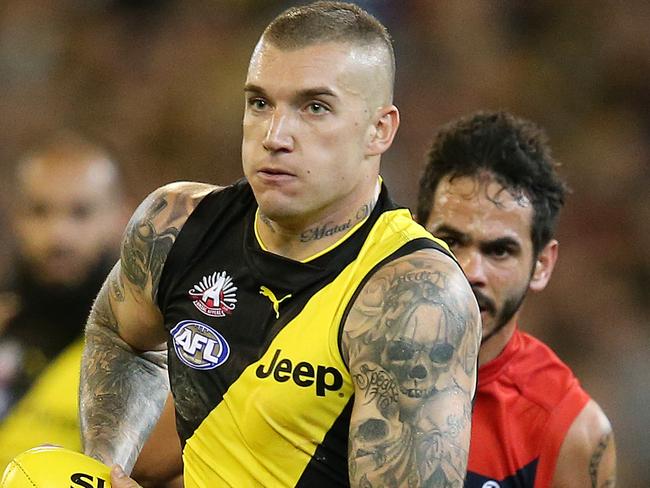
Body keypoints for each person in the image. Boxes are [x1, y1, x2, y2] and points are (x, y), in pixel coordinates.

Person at [79, 2, 481, 487]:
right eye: (260, 103)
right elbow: (119, 334)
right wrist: (103, 468)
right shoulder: (176, 226)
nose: (275, 135)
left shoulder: (413, 297)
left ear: (380, 129)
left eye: (314, 107)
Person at [416, 111, 617, 487]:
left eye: (499, 251)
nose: (470, 270)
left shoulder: (572, 431)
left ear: (541, 265)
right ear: (412, 238)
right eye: (451, 241)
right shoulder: (338, 360)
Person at [0, 132, 127, 466]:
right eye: (39, 212)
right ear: (16, 218)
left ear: (119, 218)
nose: (59, 236)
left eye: (81, 213)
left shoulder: (149, 347)